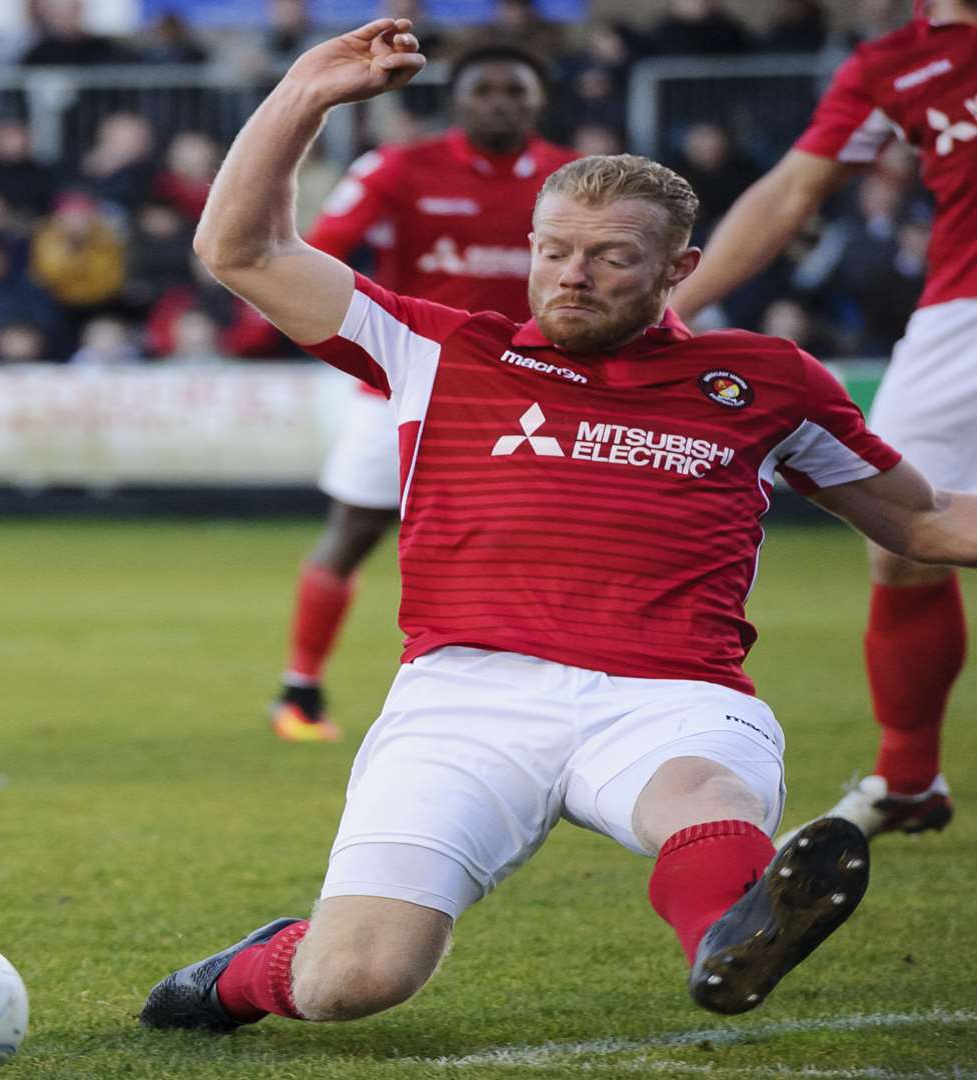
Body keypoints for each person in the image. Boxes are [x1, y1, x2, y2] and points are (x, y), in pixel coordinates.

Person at [141, 18, 977, 1033]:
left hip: (673, 696)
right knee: (352, 983)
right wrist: (304, 95)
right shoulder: (439, 349)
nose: (572, 276)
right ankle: (255, 970)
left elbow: (925, 522)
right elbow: (244, 250)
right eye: (553, 252)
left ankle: (734, 936)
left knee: (705, 795)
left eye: (611, 258)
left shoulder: (764, 380)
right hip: (466, 698)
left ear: (680, 268)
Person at [669, 0, 975, 842]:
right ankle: (908, 777)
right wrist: (675, 307)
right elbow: (790, 191)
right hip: (961, 319)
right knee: (906, 534)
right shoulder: (894, 65)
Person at [275, 44, 578, 743]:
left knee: (540, 544)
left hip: (534, 392)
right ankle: (300, 688)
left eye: (515, 89)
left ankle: (541, 694)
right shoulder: (399, 168)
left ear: (539, 101)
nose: (500, 101)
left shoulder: (575, 180)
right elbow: (321, 247)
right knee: (352, 532)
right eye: (485, 90)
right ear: (457, 101)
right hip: (403, 387)